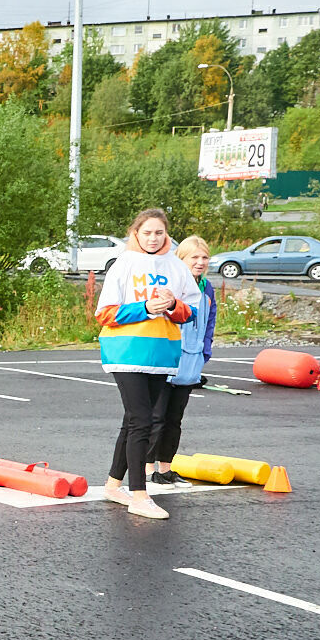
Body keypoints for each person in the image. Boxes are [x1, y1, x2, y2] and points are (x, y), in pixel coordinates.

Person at [96, 208, 199, 520]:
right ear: (135, 234)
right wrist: (145, 307)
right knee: (143, 420)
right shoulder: (123, 264)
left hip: (161, 353)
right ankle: (139, 495)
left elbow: (192, 311)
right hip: (126, 352)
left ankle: (113, 485)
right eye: (147, 233)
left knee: (133, 421)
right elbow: (105, 313)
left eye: (158, 232)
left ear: (166, 234)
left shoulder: (177, 267)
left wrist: (172, 305)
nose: (153, 238)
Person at [148, 235, 217, 486]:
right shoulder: (172, 284)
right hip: (166, 359)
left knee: (174, 420)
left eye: (204, 257)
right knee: (156, 418)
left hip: (190, 361)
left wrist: (204, 352)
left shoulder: (207, 288)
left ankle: (166, 468)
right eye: (194, 257)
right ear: (181, 259)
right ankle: (147, 470)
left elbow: (209, 322)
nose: (200, 262)